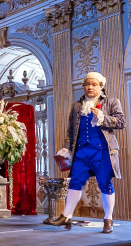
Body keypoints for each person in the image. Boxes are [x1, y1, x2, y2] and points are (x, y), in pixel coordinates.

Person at [44, 71, 125, 233]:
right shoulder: (76, 106)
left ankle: (108, 219)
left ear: (101, 86)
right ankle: (66, 217)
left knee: (105, 184)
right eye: (87, 84)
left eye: (94, 84)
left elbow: (121, 122)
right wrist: (67, 148)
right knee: (74, 183)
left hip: (102, 152)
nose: (90, 87)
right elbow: (70, 130)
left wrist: (103, 117)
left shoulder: (111, 102)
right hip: (81, 152)